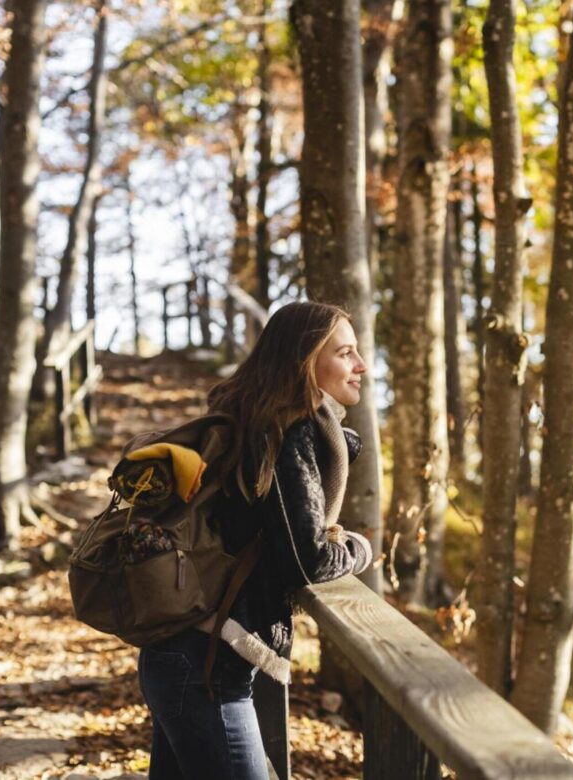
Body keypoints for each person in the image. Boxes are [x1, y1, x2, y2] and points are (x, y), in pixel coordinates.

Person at [137, 301, 374, 779]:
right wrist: (360, 549)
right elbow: (308, 560)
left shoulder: (258, 421)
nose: (361, 365)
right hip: (204, 669)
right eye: (345, 352)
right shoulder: (287, 431)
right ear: (306, 360)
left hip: (183, 656)